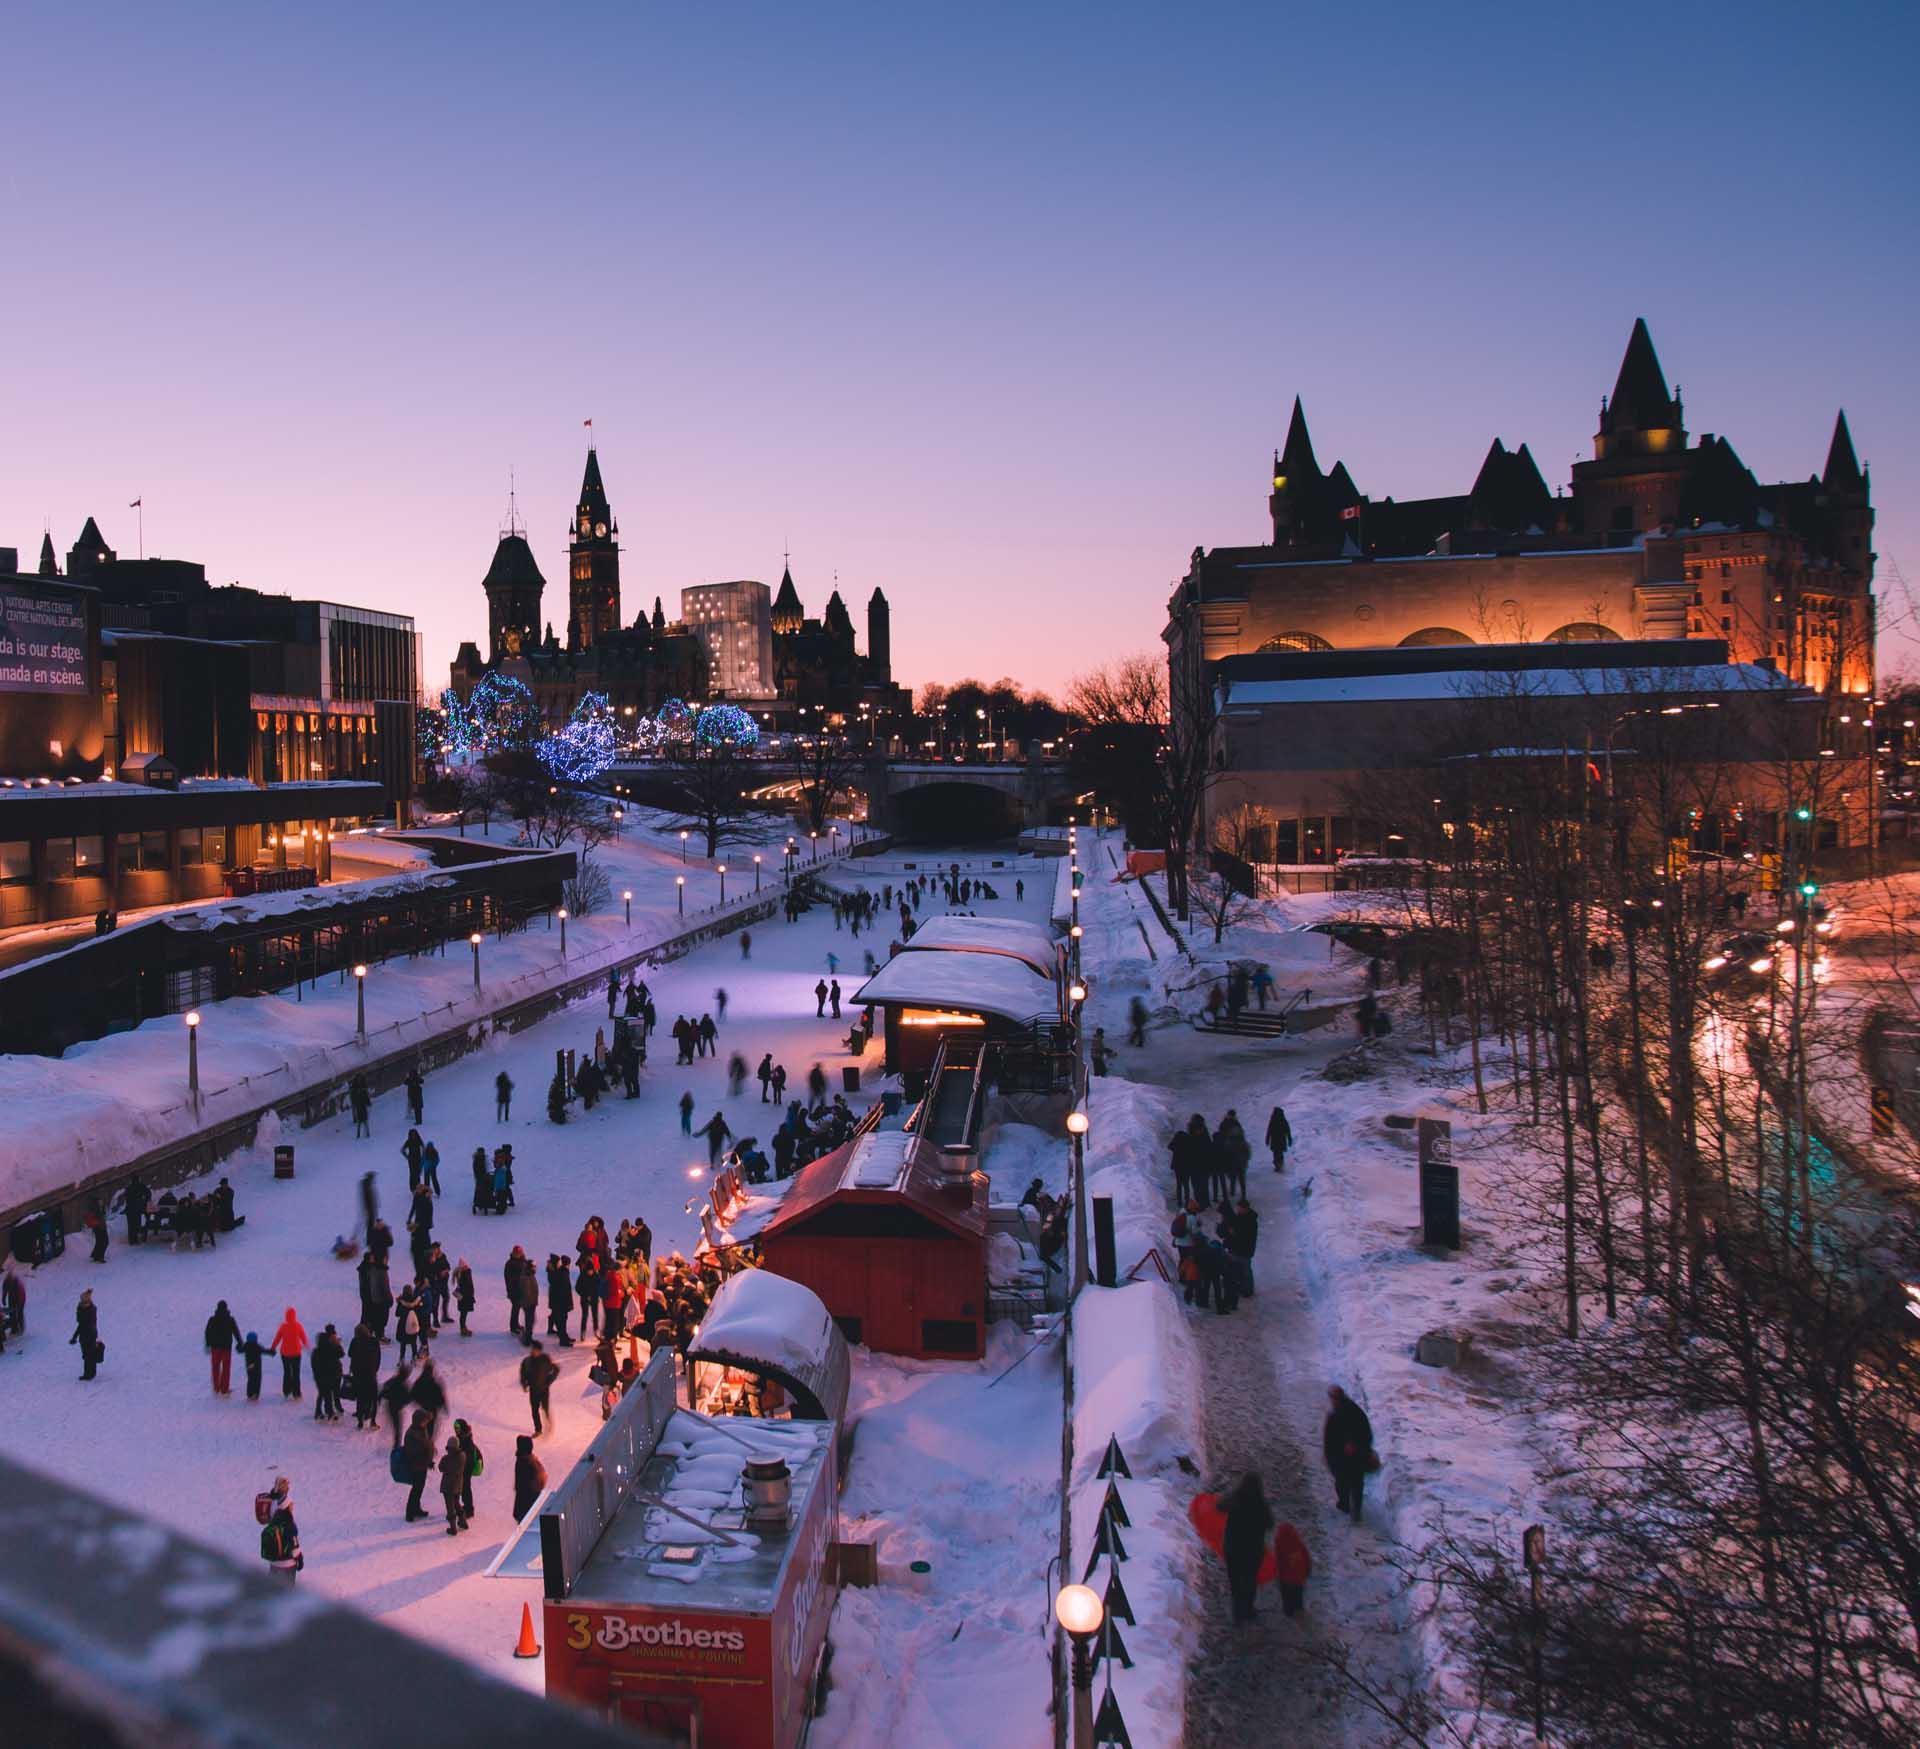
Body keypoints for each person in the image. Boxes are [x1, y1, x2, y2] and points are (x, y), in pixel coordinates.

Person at [1222, 1473, 1275, 1625]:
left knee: (1235, 1580)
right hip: (1253, 1551)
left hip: (1233, 1548)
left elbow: (1220, 1505)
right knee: (1250, 1580)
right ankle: (1249, 1609)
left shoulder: (1235, 1500)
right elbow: (1270, 1524)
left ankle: (1238, 1613)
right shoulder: (1261, 1505)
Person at [1324, 1385, 1376, 1524]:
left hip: (1350, 1457)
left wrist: (1355, 1445)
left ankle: (1349, 1507)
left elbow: (1329, 1440)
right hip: (1348, 1457)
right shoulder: (1352, 1412)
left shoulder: (1342, 1414)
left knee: (1349, 1483)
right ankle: (1350, 1508)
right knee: (1352, 1484)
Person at [260, 1477, 302, 1584]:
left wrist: (275, 1491)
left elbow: (274, 1498)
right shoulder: (289, 1523)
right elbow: (294, 1543)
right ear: (287, 1507)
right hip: (288, 1564)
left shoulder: (274, 1517)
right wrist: (299, 1559)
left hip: (274, 1562)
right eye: (291, 1505)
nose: (293, 1506)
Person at [1273, 1521, 1312, 1617]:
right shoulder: (1299, 1544)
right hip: (1299, 1578)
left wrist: (1278, 1575)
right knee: (1298, 1594)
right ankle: (1299, 1607)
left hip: (1286, 1580)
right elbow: (1306, 1558)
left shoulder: (1280, 1546)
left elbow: (1279, 1563)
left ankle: (1288, 1611)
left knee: (1287, 1596)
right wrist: (1307, 1570)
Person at [401, 1411, 435, 1522]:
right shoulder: (411, 1434)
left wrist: (428, 1461)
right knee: (416, 1489)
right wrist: (425, 1455)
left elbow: (426, 1445)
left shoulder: (421, 1430)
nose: (426, 1422)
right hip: (416, 1466)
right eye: (424, 1421)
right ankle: (410, 1512)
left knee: (419, 1488)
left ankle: (416, 1508)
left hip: (422, 1465)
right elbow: (413, 1452)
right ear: (418, 1421)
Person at [521, 1341, 559, 1436]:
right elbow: (523, 1374)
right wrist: (524, 1384)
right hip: (533, 1390)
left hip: (544, 1389)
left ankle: (548, 1419)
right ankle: (538, 1429)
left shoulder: (545, 1359)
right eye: (533, 1349)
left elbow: (555, 1369)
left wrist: (549, 1381)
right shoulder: (527, 1361)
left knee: (545, 1408)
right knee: (534, 1410)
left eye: (536, 1350)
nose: (534, 1351)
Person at [205, 1299, 242, 1396]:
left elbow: (207, 1332)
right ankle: (224, 1389)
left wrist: (208, 1343)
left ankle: (216, 1388)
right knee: (226, 1368)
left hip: (215, 1347)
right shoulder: (230, 1319)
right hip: (226, 1347)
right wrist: (240, 1343)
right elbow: (236, 1332)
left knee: (215, 1367)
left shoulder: (212, 1319)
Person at [270, 1306, 309, 1398]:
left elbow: (277, 1338)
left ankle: (286, 1390)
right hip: (296, 1353)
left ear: (286, 1316)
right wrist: (306, 1344)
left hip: (285, 1354)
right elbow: (303, 1337)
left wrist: (273, 1347)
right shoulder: (298, 1325)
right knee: (296, 1372)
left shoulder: (283, 1326)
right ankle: (297, 1392)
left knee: (287, 1372)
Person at [348, 1323, 381, 1428]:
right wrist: (375, 1369)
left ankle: (360, 1421)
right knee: (373, 1398)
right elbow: (378, 1357)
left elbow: (350, 1354)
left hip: (358, 1374)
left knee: (360, 1397)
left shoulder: (355, 1341)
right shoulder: (374, 1341)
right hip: (371, 1373)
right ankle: (373, 1421)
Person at [311, 1324, 345, 1421]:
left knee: (324, 1394)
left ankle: (322, 1412)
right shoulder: (331, 1348)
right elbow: (341, 1354)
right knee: (330, 1394)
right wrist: (337, 1344)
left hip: (321, 1377)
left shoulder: (316, 1351)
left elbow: (314, 1366)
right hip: (333, 1375)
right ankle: (329, 1412)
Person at [438, 1433, 470, 1536]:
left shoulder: (447, 1459)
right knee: (456, 1503)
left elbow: (441, 1467)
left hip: (448, 1486)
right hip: (458, 1484)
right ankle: (463, 1521)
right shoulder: (462, 1455)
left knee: (450, 1507)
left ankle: (453, 1528)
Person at [512, 1434, 547, 1523]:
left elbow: (523, 1486)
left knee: (526, 1522)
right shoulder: (529, 1460)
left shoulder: (525, 1462)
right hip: (529, 1500)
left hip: (527, 1502)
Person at [453, 1418, 482, 1524]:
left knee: (465, 1488)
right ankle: (467, 1506)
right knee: (464, 1488)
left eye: (457, 1428)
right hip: (464, 1466)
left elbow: (467, 1455)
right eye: (455, 1428)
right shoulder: (463, 1436)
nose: (456, 1430)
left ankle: (469, 1509)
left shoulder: (465, 1439)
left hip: (466, 1467)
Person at [71, 1289, 101, 1381]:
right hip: (87, 1335)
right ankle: (90, 1373)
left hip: (89, 1335)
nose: (81, 1301)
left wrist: (74, 1337)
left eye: (83, 1299)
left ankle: (89, 1374)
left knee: (88, 1355)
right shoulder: (86, 1308)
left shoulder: (88, 1310)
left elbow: (82, 1324)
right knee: (88, 1355)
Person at [1266, 1104, 1294, 1173]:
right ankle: (1280, 1164)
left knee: (1276, 1153)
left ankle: (1277, 1165)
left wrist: (1267, 1139)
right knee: (1280, 1153)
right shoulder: (1283, 1120)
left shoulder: (1273, 1120)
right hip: (1281, 1140)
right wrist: (1289, 1139)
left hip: (1275, 1140)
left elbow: (1269, 1130)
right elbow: (1288, 1130)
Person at [123, 1176, 150, 1246]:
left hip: (130, 1209)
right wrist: (145, 1201)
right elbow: (148, 1193)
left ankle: (131, 1240)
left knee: (131, 1225)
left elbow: (126, 1197)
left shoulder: (129, 1188)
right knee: (137, 1224)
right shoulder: (141, 1186)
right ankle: (137, 1239)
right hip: (138, 1209)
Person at [454, 1258, 475, 1337]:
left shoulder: (463, 1274)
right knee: (463, 1313)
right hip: (465, 1298)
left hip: (464, 1298)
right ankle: (463, 1328)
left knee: (463, 1313)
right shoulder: (464, 1274)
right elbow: (468, 1286)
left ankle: (463, 1327)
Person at [84, 1197, 109, 1264]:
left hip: (101, 1227)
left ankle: (95, 1256)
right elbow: (95, 1218)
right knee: (104, 1242)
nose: (101, 1203)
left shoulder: (101, 1209)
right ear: (96, 1203)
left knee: (99, 1242)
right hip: (98, 1227)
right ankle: (100, 1257)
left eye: (101, 1201)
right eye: (100, 1202)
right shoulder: (95, 1210)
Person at [242, 1330, 265, 1399]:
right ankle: (256, 1393)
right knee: (257, 1379)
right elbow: (264, 1351)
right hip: (257, 1365)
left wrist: (238, 1346)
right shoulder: (257, 1346)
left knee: (250, 1379)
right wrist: (272, 1352)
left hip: (249, 1365)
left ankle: (249, 1393)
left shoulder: (246, 1346)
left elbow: (240, 1349)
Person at [350, 1073, 372, 1138]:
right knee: (359, 1120)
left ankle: (367, 1133)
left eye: (360, 1078)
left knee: (365, 1119)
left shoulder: (363, 1085)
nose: (359, 1080)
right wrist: (354, 1103)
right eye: (358, 1078)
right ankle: (358, 1134)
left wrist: (368, 1102)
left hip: (363, 1104)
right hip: (358, 1104)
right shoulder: (354, 1087)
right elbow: (353, 1096)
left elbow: (366, 1094)